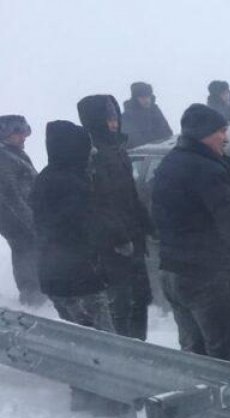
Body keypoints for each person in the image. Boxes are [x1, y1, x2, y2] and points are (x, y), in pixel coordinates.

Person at [151, 104, 230, 366]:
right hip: (202, 274)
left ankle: (192, 400)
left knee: (193, 350)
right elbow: (229, 221)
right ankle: (225, 407)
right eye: (221, 132)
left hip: (171, 272)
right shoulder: (207, 169)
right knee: (222, 355)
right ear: (203, 133)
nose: (226, 138)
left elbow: (157, 217)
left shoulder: (170, 162)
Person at [32, 121, 119, 413]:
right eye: (85, 146)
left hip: (53, 274)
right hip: (80, 275)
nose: (90, 152)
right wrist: (115, 239)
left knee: (76, 339)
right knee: (102, 340)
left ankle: (83, 394)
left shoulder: (45, 178)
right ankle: (109, 398)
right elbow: (85, 225)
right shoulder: (71, 183)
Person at [77, 95, 153, 341]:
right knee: (122, 302)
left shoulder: (117, 149)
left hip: (133, 235)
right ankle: (125, 353)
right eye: (107, 118)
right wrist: (119, 237)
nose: (114, 123)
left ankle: (141, 348)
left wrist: (147, 223)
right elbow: (99, 204)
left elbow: (130, 195)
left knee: (141, 297)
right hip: (113, 246)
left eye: (115, 116)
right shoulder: (92, 155)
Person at [0, 115, 44, 306]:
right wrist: (32, 221)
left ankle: (36, 293)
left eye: (24, 132)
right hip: (16, 220)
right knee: (26, 254)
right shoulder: (4, 159)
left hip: (24, 217)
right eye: (18, 133)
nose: (24, 137)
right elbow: (11, 195)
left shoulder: (15, 153)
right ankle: (32, 298)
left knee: (32, 253)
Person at [122, 82, 173, 149]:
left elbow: (167, 133)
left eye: (148, 96)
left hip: (160, 152)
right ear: (135, 98)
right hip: (140, 155)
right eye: (142, 97)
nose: (147, 100)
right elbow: (133, 140)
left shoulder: (155, 111)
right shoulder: (127, 116)